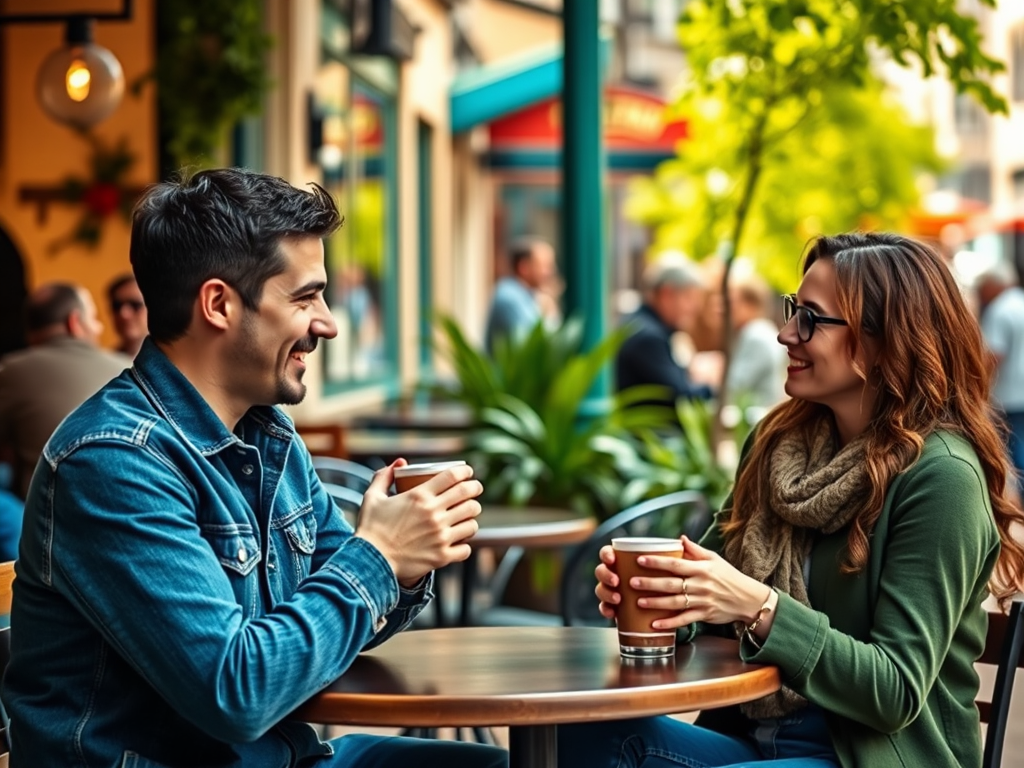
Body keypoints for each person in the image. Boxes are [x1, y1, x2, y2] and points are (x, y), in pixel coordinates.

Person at [2, 169, 507, 768]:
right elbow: (235, 693)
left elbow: (336, 617)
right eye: (304, 297)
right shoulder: (113, 461)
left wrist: (403, 560)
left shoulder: (266, 433)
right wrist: (378, 557)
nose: (328, 322)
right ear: (218, 304)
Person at [561, 232, 1024, 767]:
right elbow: (709, 584)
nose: (785, 334)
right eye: (791, 310)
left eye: (810, 318)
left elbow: (895, 690)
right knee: (579, 733)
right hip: (756, 738)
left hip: (869, 756)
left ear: (884, 339)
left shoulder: (942, 477)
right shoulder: (779, 446)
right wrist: (657, 597)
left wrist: (759, 606)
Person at [0, 282, 129, 499]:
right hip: (125, 508)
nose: (99, 328)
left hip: (46, 518)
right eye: (94, 318)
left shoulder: (10, 371)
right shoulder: (128, 369)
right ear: (75, 322)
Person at [615, 256, 713, 404]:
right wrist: (712, 384)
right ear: (666, 294)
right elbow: (680, 397)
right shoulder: (647, 337)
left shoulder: (642, 325)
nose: (695, 308)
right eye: (689, 297)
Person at [976, 263, 1024, 497]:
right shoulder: (1021, 302)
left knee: (1014, 450)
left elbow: (993, 355)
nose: (981, 293)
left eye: (983, 287)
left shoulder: (999, 310)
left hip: (1008, 394)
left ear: (995, 286)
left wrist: (979, 386)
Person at [725, 275, 788, 412]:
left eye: (733, 303)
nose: (727, 309)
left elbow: (735, 386)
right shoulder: (764, 330)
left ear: (750, 305)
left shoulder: (755, 335)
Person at [484, 237, 558, 353]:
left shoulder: (530, 296)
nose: (549, 272)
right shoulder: (509, 297)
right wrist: (549, 312)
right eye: (544, 266)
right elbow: (536, 346)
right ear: (524, 268)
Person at [107, 272, 149, 357]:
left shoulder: (177, 360)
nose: (123, 314)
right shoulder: (106, 364)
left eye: (135, 305)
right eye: (117, 306)